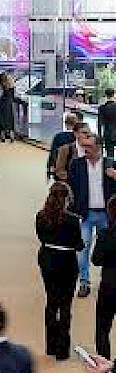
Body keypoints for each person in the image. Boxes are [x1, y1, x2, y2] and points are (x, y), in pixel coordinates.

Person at [34, 182, 83, 361]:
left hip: (47, 259)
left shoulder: (41, 216)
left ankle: (50, 345)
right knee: (65, 305)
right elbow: (78, 245)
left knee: (51, 301)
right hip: (67, 263)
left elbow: (40, 237)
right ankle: (62, 349)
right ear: (67, 199)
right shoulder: (73, 220)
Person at [67, 128, 116, 298]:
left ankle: (106, 281)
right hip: (85, 215)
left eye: (89, 146)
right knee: (82, 250)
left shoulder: (111, 164)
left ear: (99, 147)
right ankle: (84, 282)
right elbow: (71, 189)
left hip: (107, 216)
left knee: (109, 250)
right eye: (84, 146)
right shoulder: (77, 164)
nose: (85, 149)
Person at [92, 193, 116, 358]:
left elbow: (96, 260)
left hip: (109, 287)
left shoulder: (105, 234)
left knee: (102, 329)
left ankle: (104, 363)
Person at [0, 73, 16, 142]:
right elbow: (13, 96)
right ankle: (12, 136)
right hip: (9, 105)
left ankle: (3, 137)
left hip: (2, 105)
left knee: (3, 121)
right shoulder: (11, 87)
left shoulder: (1, 86)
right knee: (10, 121)